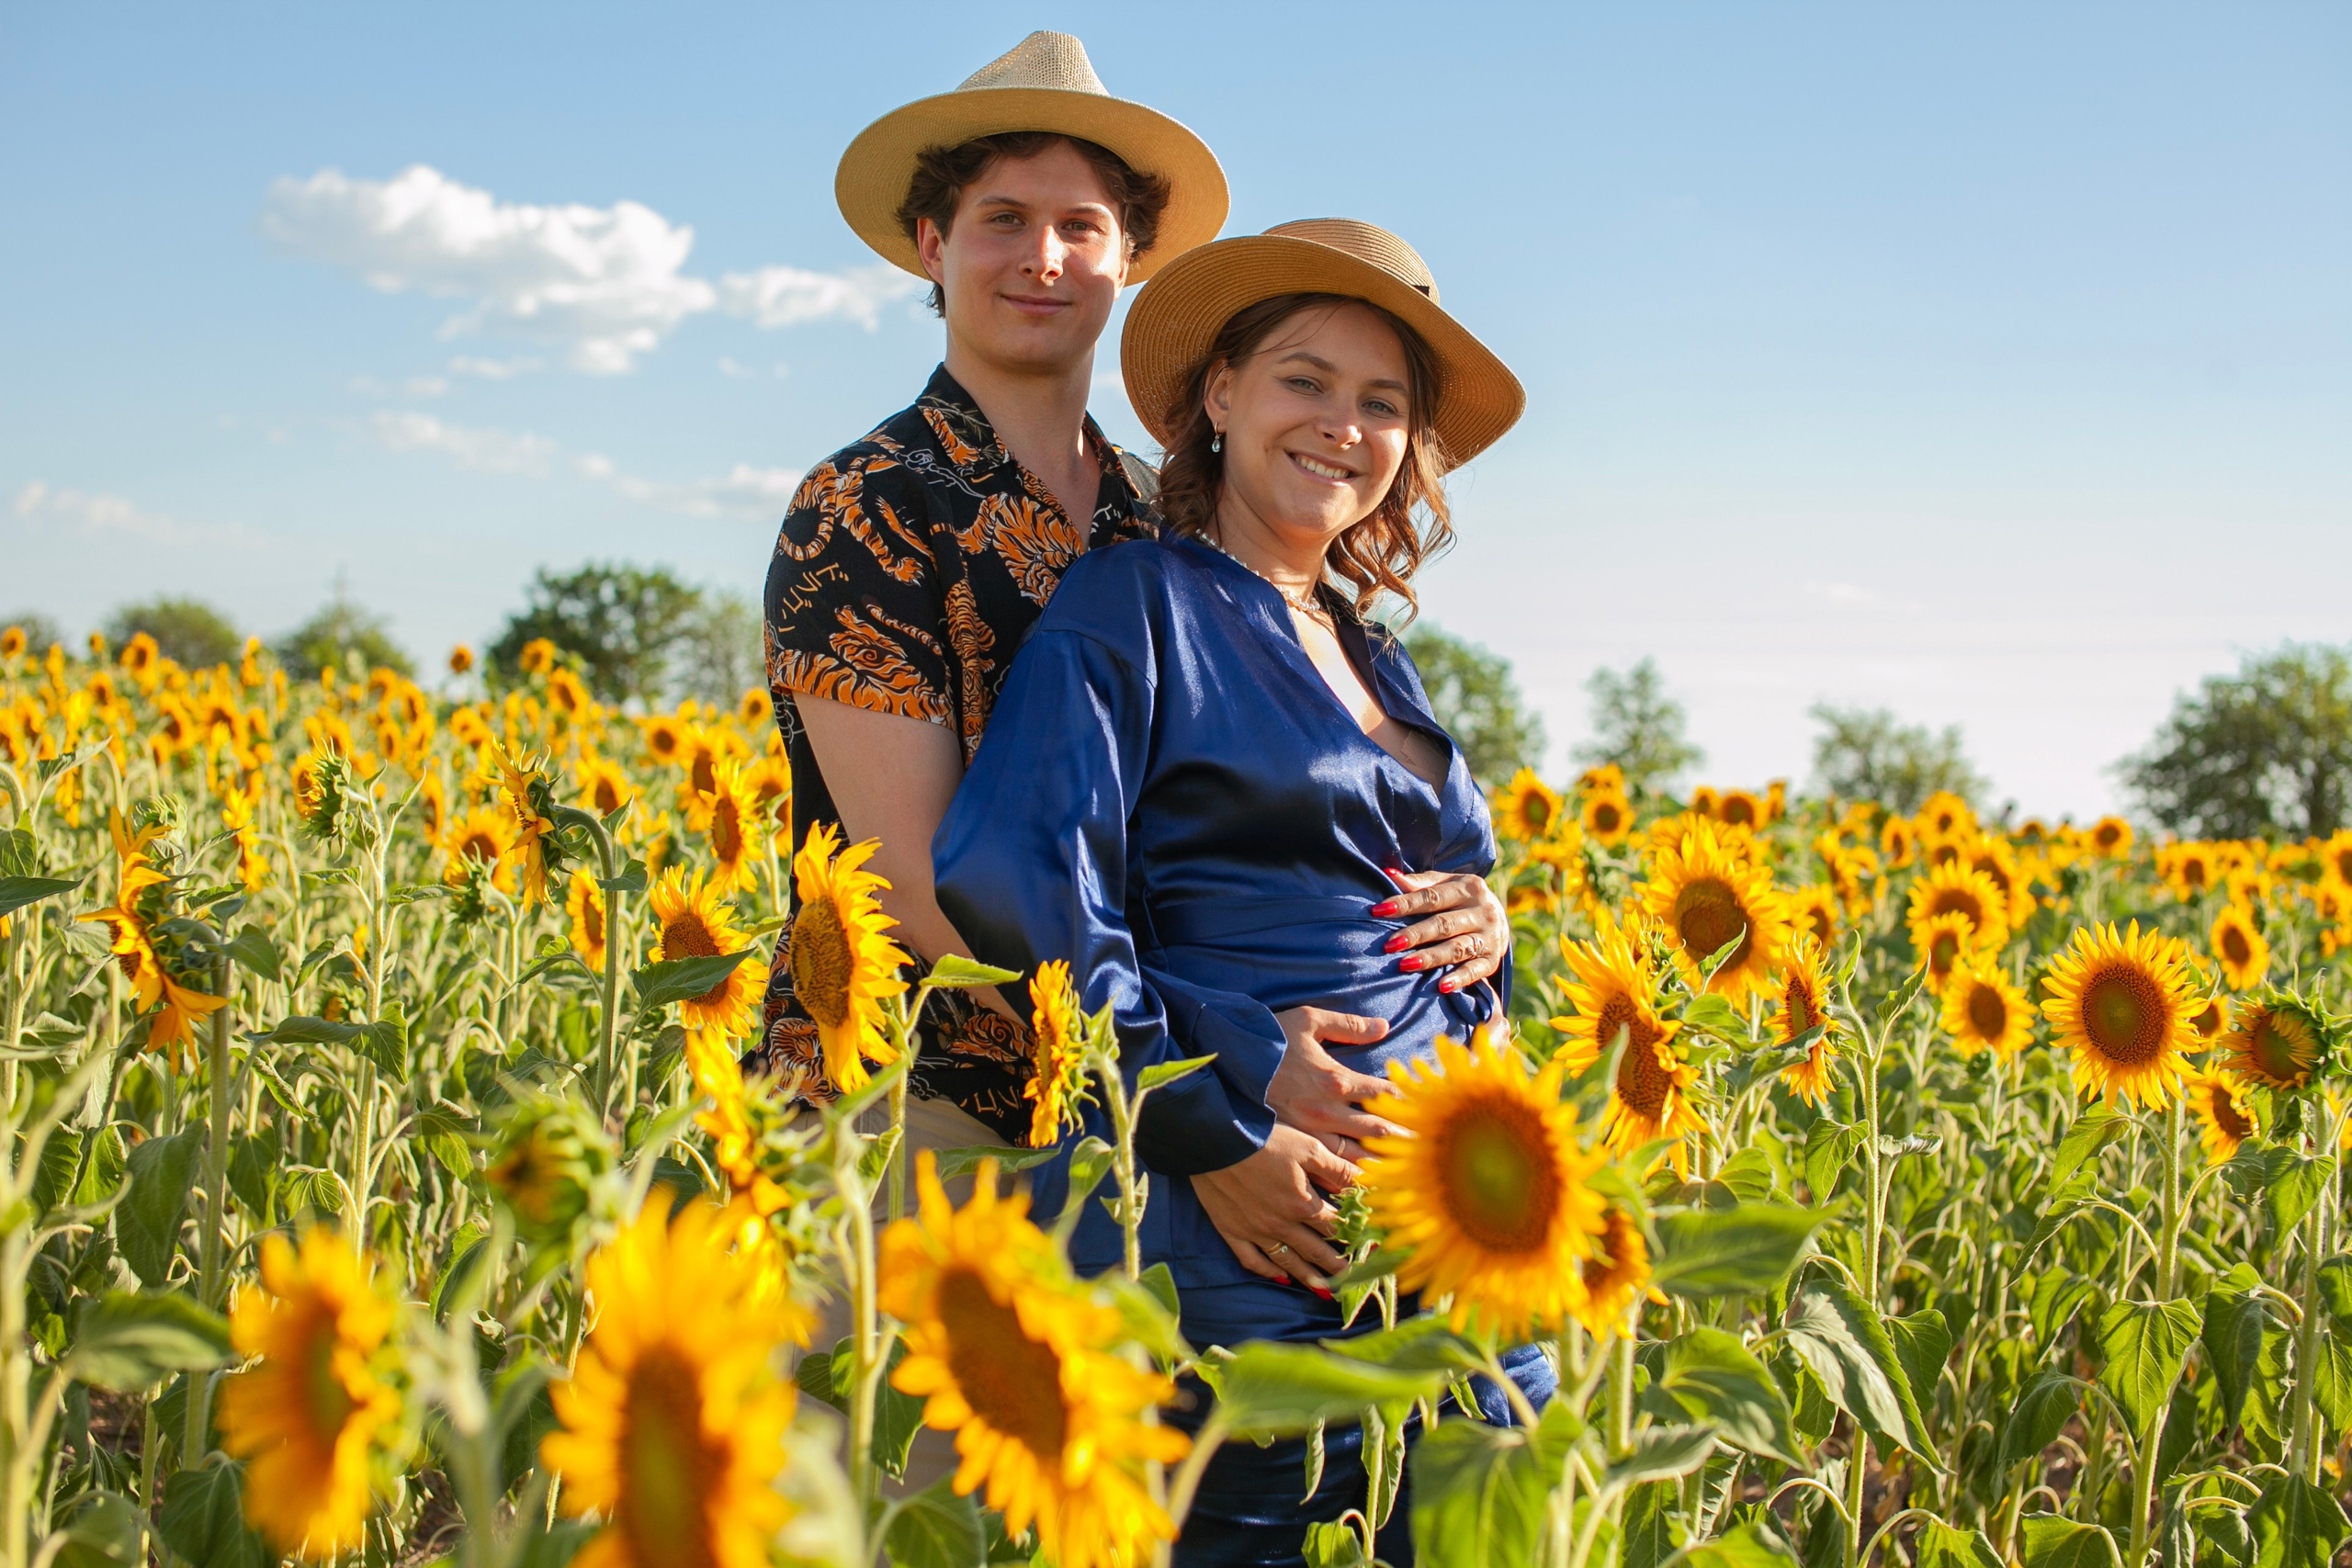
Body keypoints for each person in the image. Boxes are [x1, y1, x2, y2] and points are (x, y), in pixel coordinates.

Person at [758, 40, 1508, 1208]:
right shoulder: (868, 503)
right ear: (933, 247)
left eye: (1083, 229)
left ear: (1127, 264)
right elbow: (915, 883)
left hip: (1113, 1124)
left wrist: (1463, 913)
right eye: (1003, 218)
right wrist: (1194, 1104)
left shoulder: (1153, 523)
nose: (1043, 258)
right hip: (907, 1102)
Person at [933, 219, 1548, 1564]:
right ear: (1219, 395)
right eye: (1305, 380)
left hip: (1456, 1220)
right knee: (1264, 1516)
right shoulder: (1135, 604)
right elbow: (1019, 869)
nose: (1345, 426)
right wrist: (1207, 1116)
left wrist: (1491, 931)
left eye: (1383, 404)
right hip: (1260, 1218)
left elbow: (1426, 878)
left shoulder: (1377, 654)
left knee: (1482, 1523)